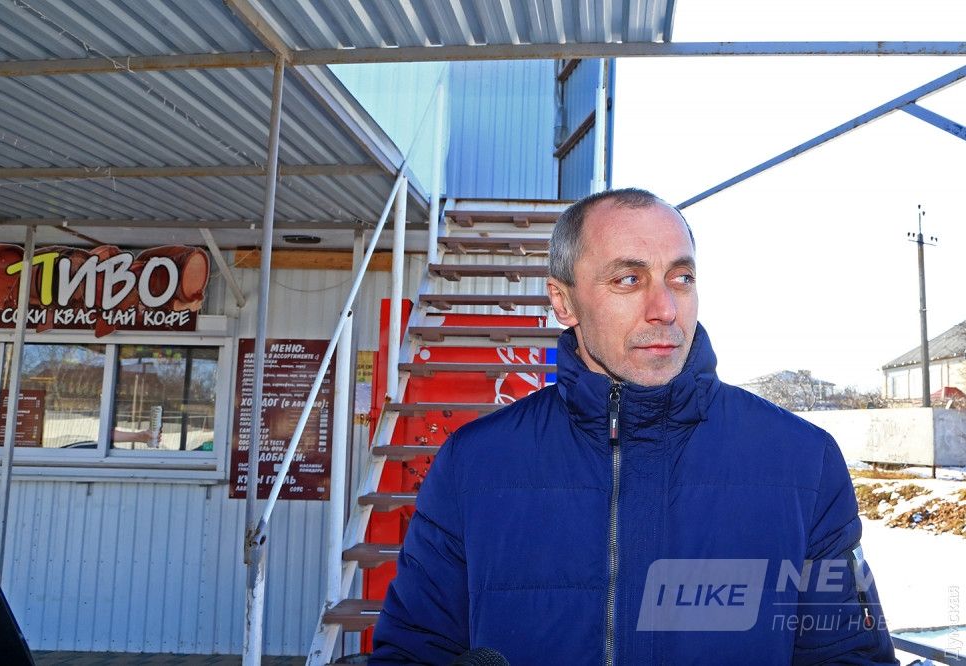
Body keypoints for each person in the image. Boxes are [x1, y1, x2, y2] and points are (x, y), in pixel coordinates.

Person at [370, 188, 897, 665]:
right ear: (563, 301)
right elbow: (412, 652)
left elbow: (850, 657)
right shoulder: (474, 464)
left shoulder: (802, 461)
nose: (664, 309)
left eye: (681, 278)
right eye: (629, 279)